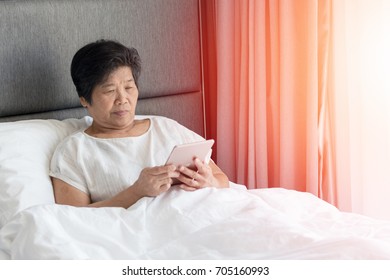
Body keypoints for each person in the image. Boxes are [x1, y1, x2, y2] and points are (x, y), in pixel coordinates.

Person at [49, 39, 229, 208]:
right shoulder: (74, 151)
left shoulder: (166, 128)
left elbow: (222, 179)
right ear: (84, 100)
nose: (122, 99)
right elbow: (72, 219)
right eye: (110, 90)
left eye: (129, 88)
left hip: (201, 215)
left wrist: (210, 182)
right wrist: (137, 192)